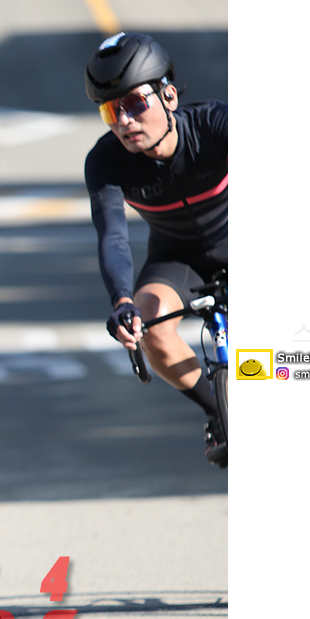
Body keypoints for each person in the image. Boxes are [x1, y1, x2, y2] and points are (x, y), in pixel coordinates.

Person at [82, 32, 228, 465]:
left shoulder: (216, 125)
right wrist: (122, 302)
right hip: (177, 259)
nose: (125, 121)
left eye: (134, 103)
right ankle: (220, 412)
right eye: (111, 111)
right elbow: (112, 235)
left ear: (169, 96)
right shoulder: (106, 161)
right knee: (148, 322)